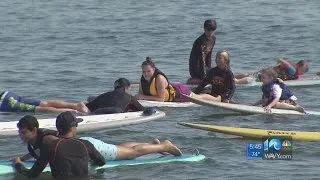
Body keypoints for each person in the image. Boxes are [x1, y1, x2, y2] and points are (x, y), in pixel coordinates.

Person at [13, 112, 106, 179]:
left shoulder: (49, 146)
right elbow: (102, 162)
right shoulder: (86, 144)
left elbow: (32, 174)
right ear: (73, 128)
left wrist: (18, 164)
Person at [0, 90, 87, 113]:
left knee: (41, 109)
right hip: (6, 95)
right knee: (44, 103)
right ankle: (76, 106)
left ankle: (74, 112)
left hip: (5, 104)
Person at [235, 58, 309, 84]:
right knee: (252, 79)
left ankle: (233, 75)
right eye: (302, 71)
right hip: (269, 74)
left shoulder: (294, 69)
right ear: (298, 66)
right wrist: (280, 60)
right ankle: (235, 81)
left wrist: (308, 79)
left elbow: (298, 78)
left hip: (269, 71)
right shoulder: (293, 70)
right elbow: (286, 63)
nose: (302, 73)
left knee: (250, 74)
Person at [187, 19, 217, 85]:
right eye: (208, 29)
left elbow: (209, 56)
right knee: (215, 75)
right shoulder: (200, 41)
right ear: (204, 29)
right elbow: (201, 58)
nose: (210, 32)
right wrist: (204, 77)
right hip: (195, 68)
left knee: (217, 72)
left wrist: (209, 69)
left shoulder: (213, 39)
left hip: (204, 66)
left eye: (212, 29)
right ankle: (194, 81)